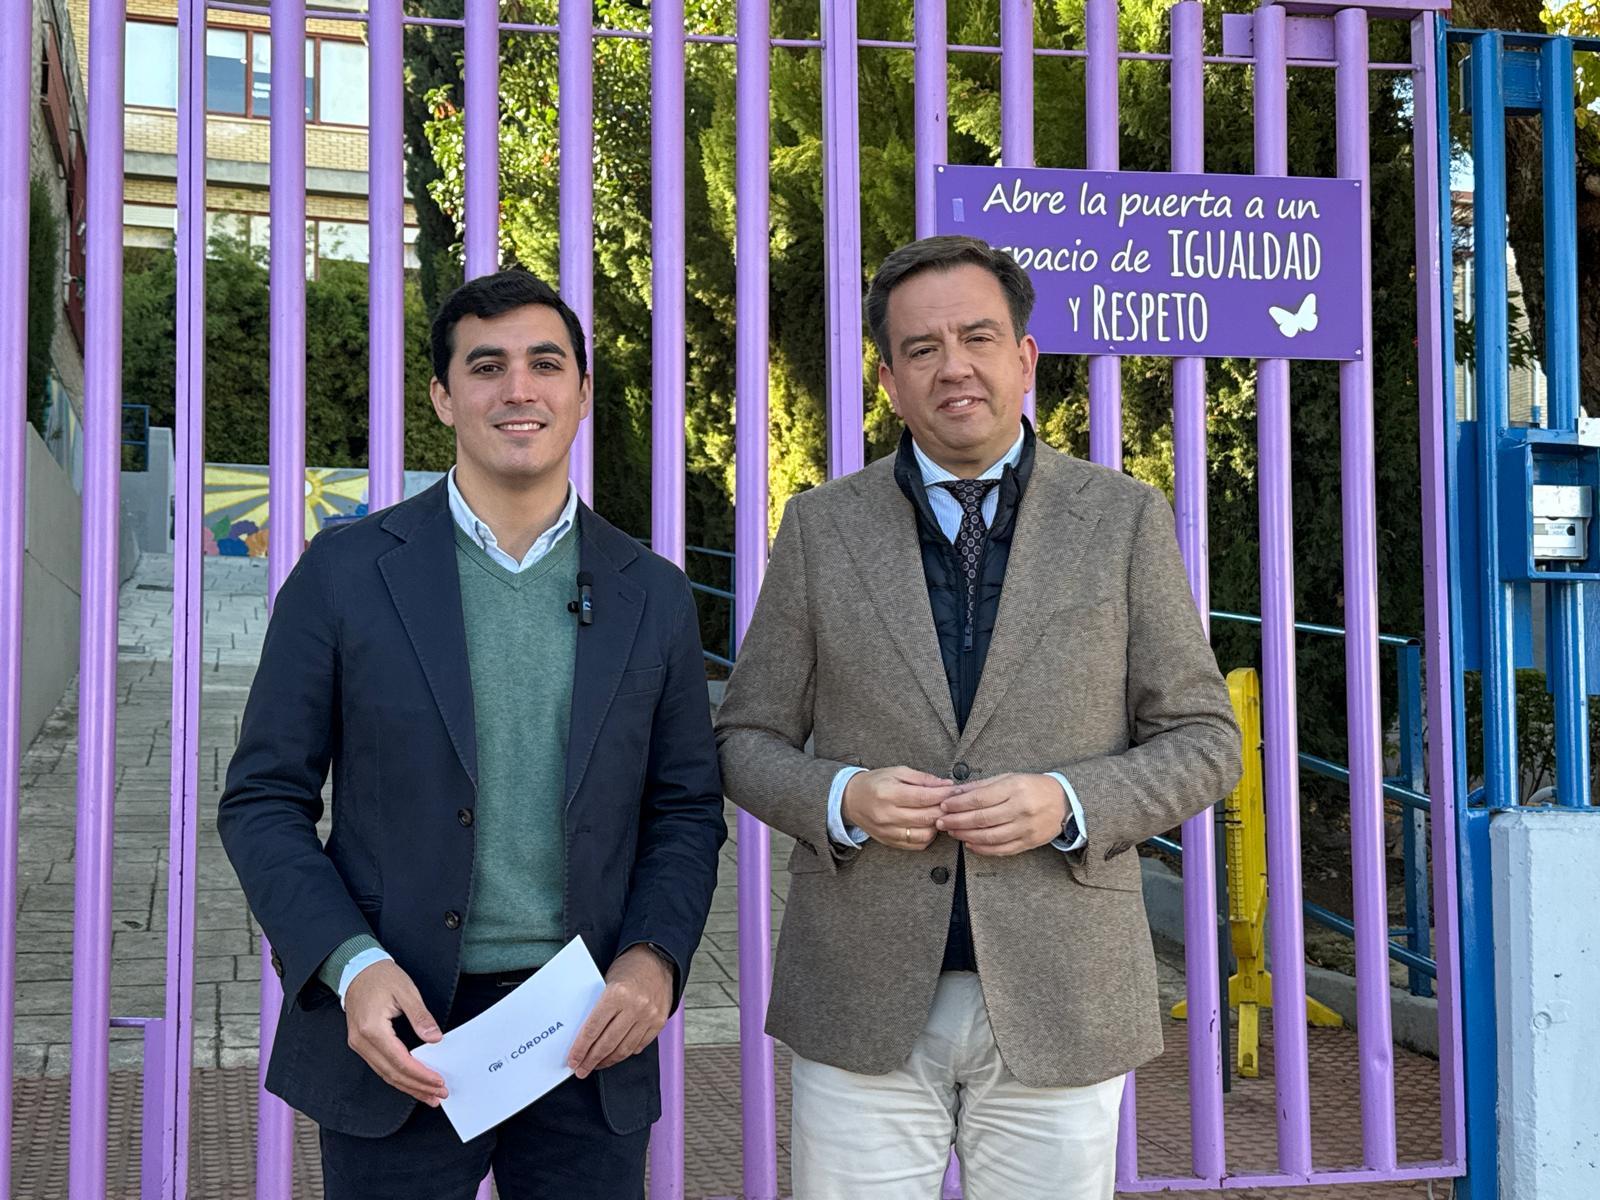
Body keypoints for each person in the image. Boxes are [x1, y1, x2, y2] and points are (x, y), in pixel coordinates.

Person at [715, 236, 1241, 1200]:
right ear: (888, 381)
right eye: (922, 348)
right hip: (859, 992)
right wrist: (842, 797)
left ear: (1025, 358)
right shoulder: (820, 526)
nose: (953, 365)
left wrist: (1069, 801)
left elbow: (1205, 740)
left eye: (978, 337)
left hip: (1063, 992)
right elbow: (745, 739)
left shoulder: (1123, 518)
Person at [219, 268, 726, 1200]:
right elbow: (263, 800)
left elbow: (686, 807)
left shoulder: (651, 593)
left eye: (545, 364)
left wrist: (655, 957)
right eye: (486, 366)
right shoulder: (344, 573)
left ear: (581, 393)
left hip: (586, 1034)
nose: (518, 389)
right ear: (443, 397)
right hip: (404, 1029)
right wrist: (349, 965)